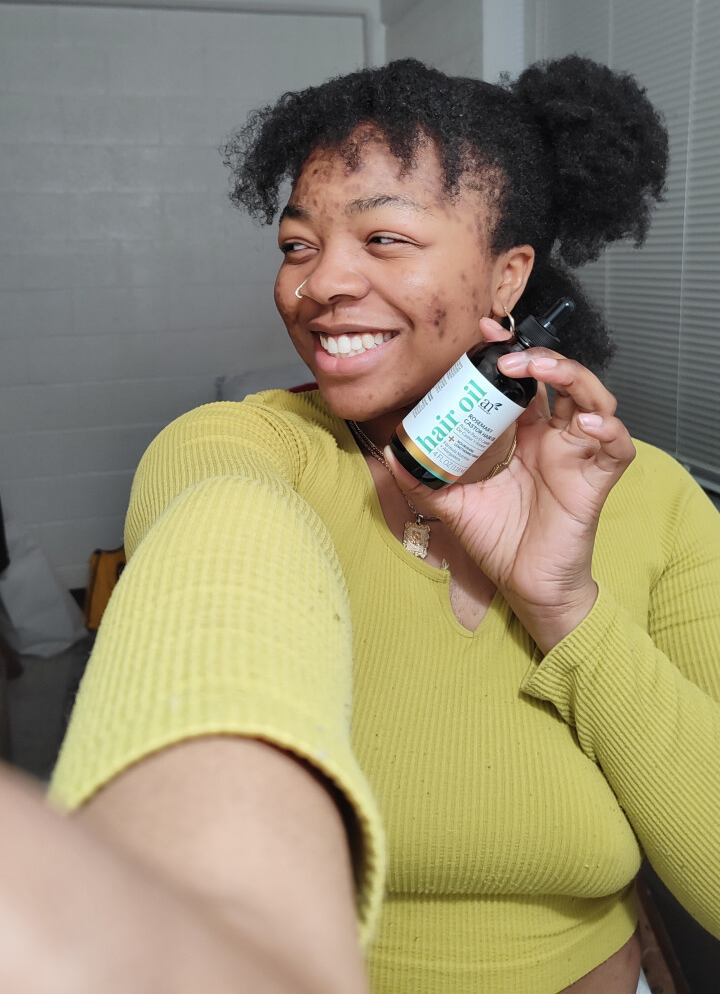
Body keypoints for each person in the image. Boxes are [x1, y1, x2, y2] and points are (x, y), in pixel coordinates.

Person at [11, 56, 720, 993]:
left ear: (508, 276)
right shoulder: (240, 449)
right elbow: (214, 622)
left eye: (384, 237)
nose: (319, 283)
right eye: (297, 244)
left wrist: (567, 611)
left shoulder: (655, 500)